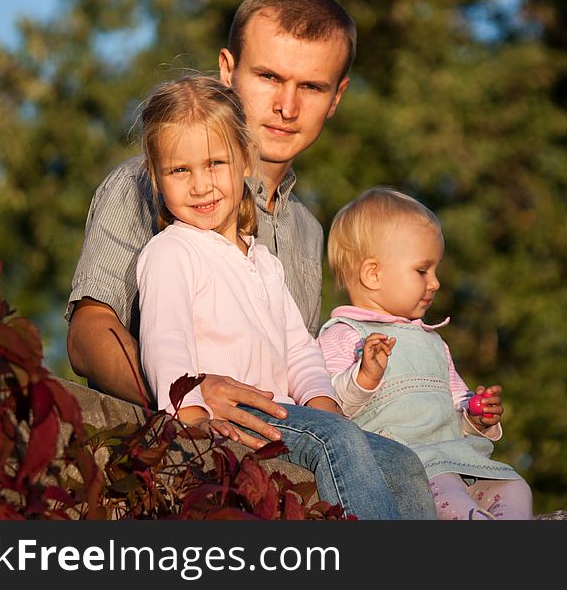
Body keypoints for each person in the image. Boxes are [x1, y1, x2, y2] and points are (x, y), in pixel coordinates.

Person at [66, 0, 435, 518]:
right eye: (268, 77)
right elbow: (86, 335)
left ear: (337, 98)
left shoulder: (308, 234)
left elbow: (294, 358)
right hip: (177, 473)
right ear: (227, 69)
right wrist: (189, 398)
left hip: (280, 468)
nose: (286, 106)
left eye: (311, 86)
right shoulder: (145, 185)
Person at [135, 74, 405, 519]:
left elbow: (299, 351)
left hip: (287, 415)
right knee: (337, 441)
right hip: (233, 416)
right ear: (156, 176)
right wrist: (193, 416)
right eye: (180, 170)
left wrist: (324, 405)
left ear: (244, 160)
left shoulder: (265, 261)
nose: (200, 185)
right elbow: (166, 343)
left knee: (401, 461)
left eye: (216, 164)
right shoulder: (171, 251)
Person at [318, 187, 533, 520]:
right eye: (422, 271)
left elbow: (455, 406)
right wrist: (364, 378)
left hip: (458, 461)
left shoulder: (432, 341)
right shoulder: (344, 335)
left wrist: (476, 417)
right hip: (408, 469)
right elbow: (328, 408)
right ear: (373, 274)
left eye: (435, 271)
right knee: (448, 493)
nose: (435, 283)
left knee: (514, 487)